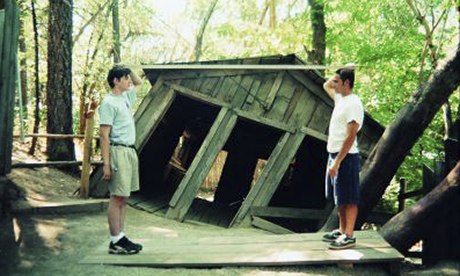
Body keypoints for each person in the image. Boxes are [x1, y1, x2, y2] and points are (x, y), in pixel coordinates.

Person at [99, 65, 143, 255]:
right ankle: (115, 240)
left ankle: (121, 237)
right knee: (117, 197)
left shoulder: (125, 97)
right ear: (116, 81)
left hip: (129, 151)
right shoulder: (108, 102)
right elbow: (103, 135)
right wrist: (107, 164)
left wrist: (126, 68)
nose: (129, 80)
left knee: (123, 198)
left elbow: (139, 82)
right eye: (125, 78)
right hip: (117, 151)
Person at [322, 65, 364, 250]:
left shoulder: (354, 103)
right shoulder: (340, 98)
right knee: (339, 197)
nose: (333, 83)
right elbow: (326, 85)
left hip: (346, 157)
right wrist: (342, 69)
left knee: (350, 197)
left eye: (337, 81)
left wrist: (338, 161)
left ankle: (349, 235)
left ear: (347, 83)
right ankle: (340, 230)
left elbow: (351, 135)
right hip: (334, 154)